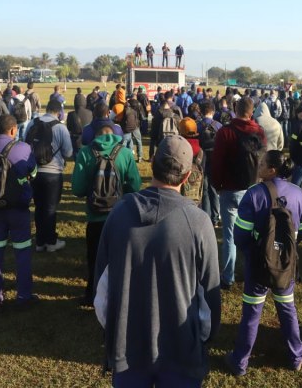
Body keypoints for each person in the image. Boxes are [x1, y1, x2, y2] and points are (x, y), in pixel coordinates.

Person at [94, 135, 221, 387]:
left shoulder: (118, 213)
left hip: (127, 345)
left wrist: (115, 329)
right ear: (186, 177)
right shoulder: (199, 222)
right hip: (182, 348)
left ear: (152, 163)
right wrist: (201, 337)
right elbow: (209, 296)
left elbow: (102, 290)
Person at [225, 150, 302, 375]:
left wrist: (253, 253)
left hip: (258, 264)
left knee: (252, 312)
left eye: (262, 163)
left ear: (272, 170)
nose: (258, 166)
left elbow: (240, 235)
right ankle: (296, 356)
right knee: (287, 307)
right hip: (286, 264)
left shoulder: (254, 194)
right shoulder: (299, 194)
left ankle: (240, 362)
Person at [71, 121, 141, 305]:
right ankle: (120, 294)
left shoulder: (85, 153)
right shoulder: (125, 153)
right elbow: (135, 186)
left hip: (94, 217)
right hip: (119, 216)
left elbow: (77, 188)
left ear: (94, 135)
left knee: (94, 257)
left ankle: (92, 294)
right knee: (119, 258)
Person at [0, 114, 39, 313]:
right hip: (19, 209)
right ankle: (24, 296)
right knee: (22, 254)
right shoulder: (23, 148)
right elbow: (34, 172)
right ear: (13, 130)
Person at [211, 97, 266, 289]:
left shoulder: (225, 132)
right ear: (252, 113)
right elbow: (262, 161)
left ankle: (228, 276)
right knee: (255, 234)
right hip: (254, 189)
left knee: (229, 236)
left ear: (235, 109)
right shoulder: (259, 132)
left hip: (230, 189)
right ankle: (255, 272)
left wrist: (217, 185)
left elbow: (216, 162)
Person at [25, 99, 73, 252]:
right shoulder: (61, 128)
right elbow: (68, 152)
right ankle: (51, 241)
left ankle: (39, 241)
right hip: (53, 172)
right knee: (51, 208)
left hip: (35, 172)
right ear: (59, 112)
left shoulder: (33, 123)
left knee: (39, 206)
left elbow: (26, 144)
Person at [198, 101, 223, 226]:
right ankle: (216, 218)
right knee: (214, 189)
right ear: (213, 111)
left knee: (204, 189)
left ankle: (206, 216)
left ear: (202, 112)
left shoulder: (198, 125)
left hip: (202, 160)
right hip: (215, 160)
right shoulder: (219, 126)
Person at [66, 90, 93, 158]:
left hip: (75, 139)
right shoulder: (90, 113)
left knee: (77, 157)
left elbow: (69, 128)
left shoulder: (71, 114)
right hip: (87, 138)